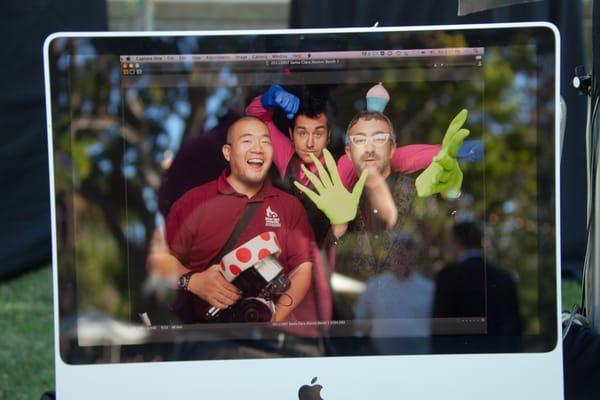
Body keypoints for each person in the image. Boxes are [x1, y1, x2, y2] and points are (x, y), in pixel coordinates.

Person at [146, 116, 314, 324]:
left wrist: (275, 316)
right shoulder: (194, 201)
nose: (258, 148)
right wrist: (195, 281)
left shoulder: (290, 206)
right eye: (247, 141)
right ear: (227, 152)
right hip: (205, 339)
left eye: (265, 141)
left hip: (271, 344)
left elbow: (303, 268)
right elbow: (157, 261)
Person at [432, 221, 522, 337]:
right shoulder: (504, 278)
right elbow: (514, 328)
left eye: (450, 242)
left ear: (457, 242)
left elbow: (442, 327)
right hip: (496, 352)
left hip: (459, 352)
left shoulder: (447, 277)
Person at [354, 232, 434, 354]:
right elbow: (359, 322)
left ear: (414, 254)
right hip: (382, 362)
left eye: (407, 249)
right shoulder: (374, 287)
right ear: (390, 254)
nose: (402, 254)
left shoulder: (429, 289)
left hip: (419, 362)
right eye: (397, 250)